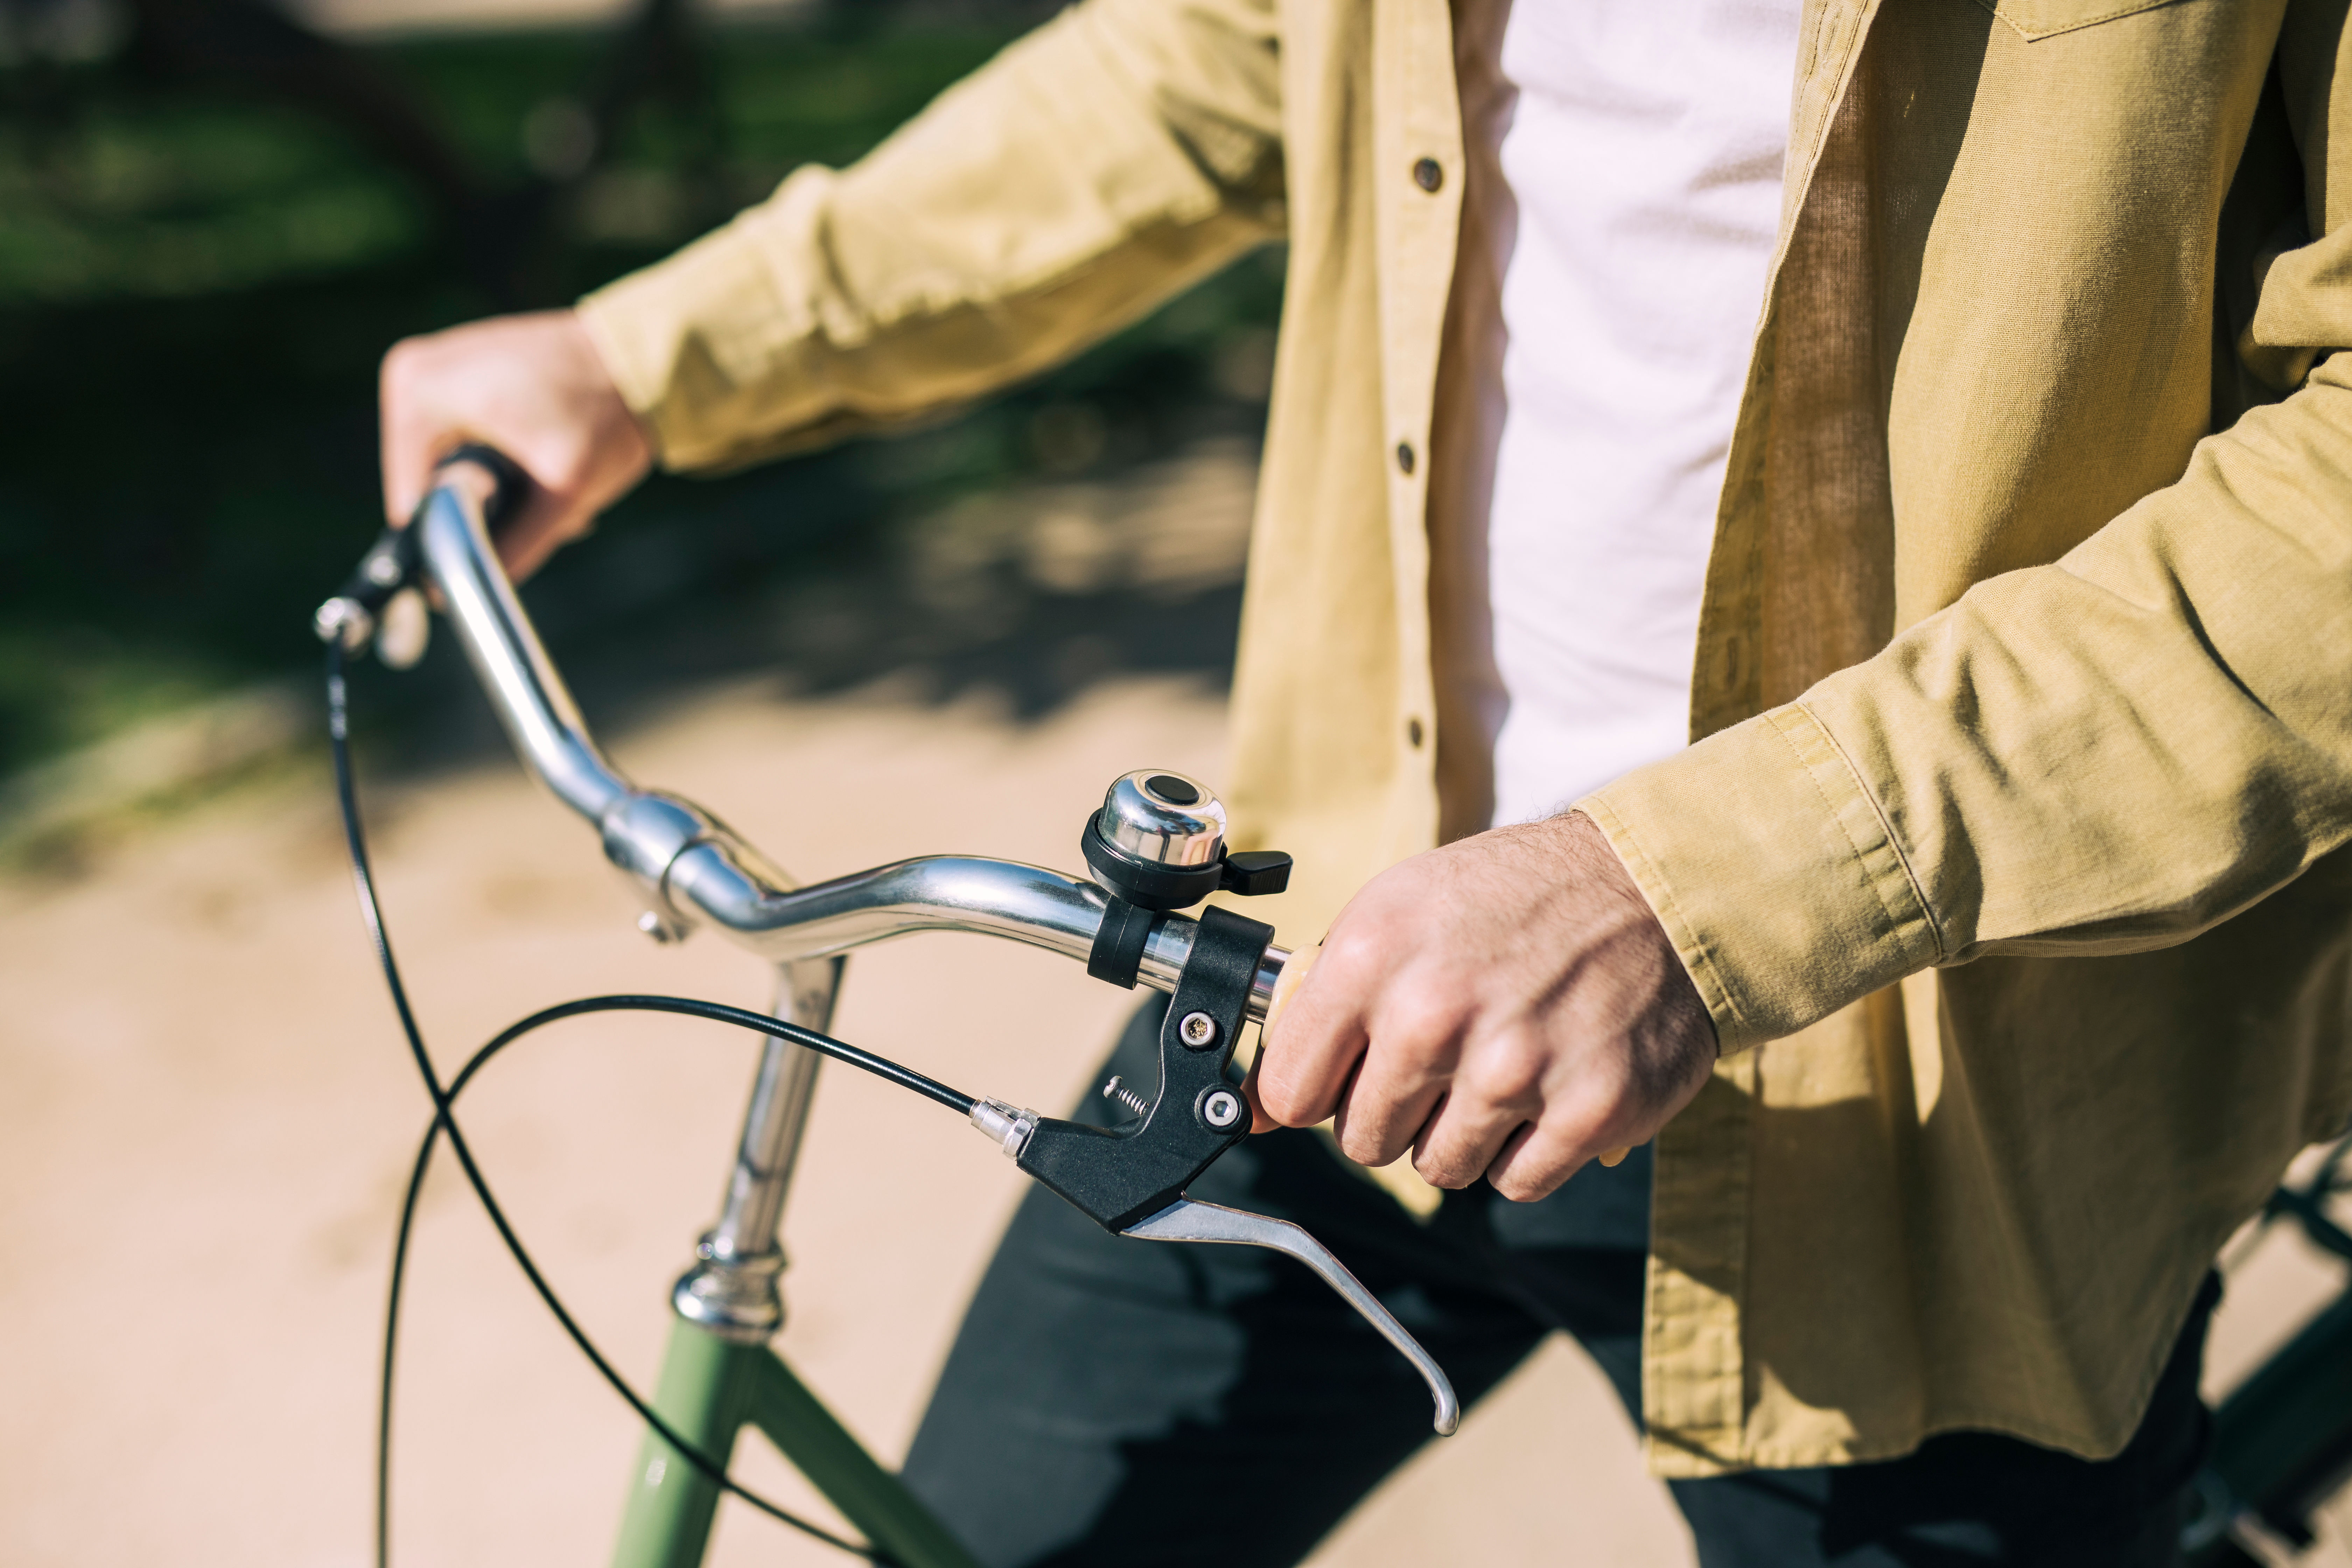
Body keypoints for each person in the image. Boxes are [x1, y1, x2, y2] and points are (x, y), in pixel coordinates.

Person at [376, 0, 2352, 1561]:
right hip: (1329, 966)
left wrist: (1699, 880)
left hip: (1929, 1082)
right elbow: (1221, 53)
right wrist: (653, 356)